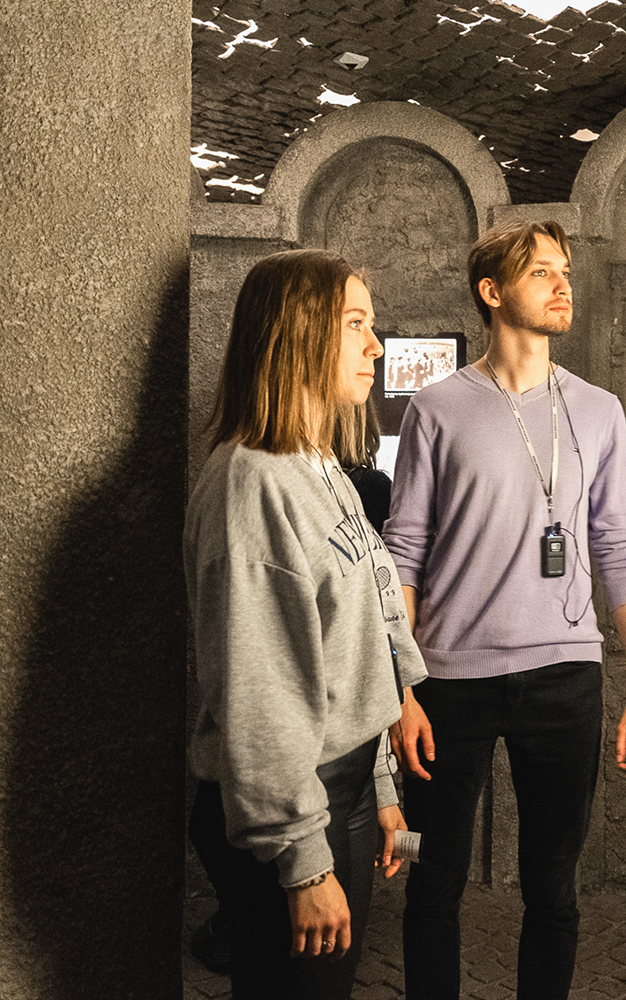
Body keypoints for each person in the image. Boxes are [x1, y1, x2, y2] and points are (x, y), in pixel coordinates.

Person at [384, 219, 626, 1000]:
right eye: (541, 272)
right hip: (449, 680)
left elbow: (621, 545)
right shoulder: (437, 408)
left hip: (565, 676)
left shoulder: (600, 410)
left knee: (554, 890)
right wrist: (400, 690)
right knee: (432, 885)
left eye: (564, 270)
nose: (562, 283)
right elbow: (403, 552)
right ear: (493, 291)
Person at [184, 249, 427, 1000]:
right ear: (298, 334)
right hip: (293, 797)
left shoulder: (319, 463)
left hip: (341, 783)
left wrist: (381, 785)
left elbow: (353, 649)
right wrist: (304, 862)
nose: (375, 347)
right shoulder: (253, 486)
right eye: (355, 324)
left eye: (372, 326)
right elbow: (262, 697)